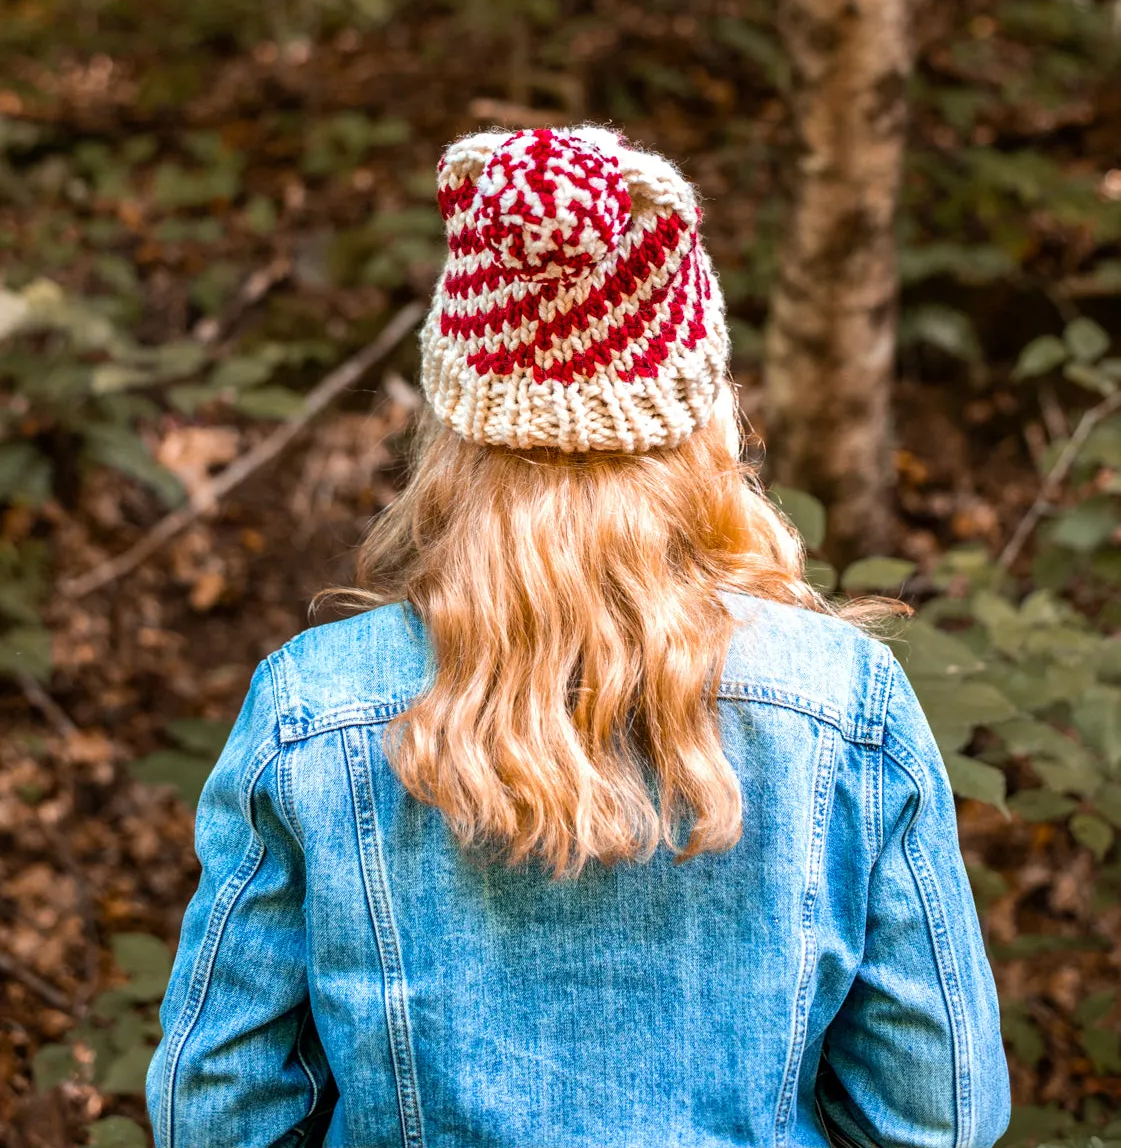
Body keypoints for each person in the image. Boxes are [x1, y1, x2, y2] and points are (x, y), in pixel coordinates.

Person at [147, 125, 1010, 1148]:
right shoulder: (840, 702)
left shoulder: (316, 706)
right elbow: (937, 1115)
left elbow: (213, 1110)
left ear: (453, 427)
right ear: (702, 425)